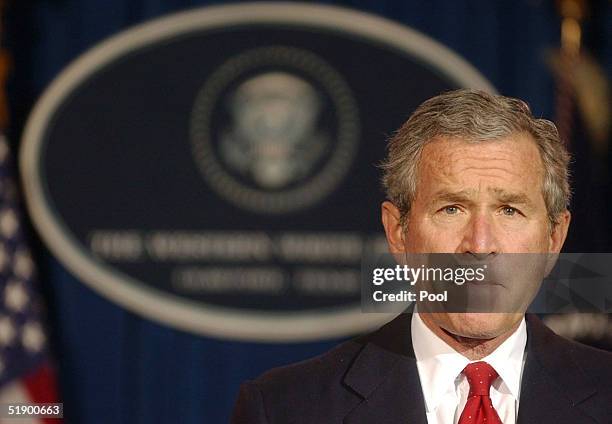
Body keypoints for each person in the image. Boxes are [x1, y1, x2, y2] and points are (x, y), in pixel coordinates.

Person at [231, 90, 612, 423]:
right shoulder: (286, 408)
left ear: (554, 238)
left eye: (509, 210)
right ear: (398, 231)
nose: (479, 245)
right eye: (452, 209)